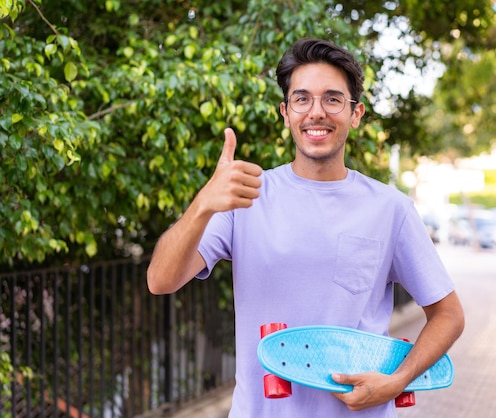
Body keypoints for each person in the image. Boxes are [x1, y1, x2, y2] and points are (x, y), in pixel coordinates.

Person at [147, 38, 464, 417]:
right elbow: (159, 281)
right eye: (302, 99)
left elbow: (449, 314)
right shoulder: (245, 198)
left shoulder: (390, 209)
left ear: (356, 113)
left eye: (332, 99)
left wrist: (397, 381)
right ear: (286, 112)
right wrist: (202, 205)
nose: (317, 112)